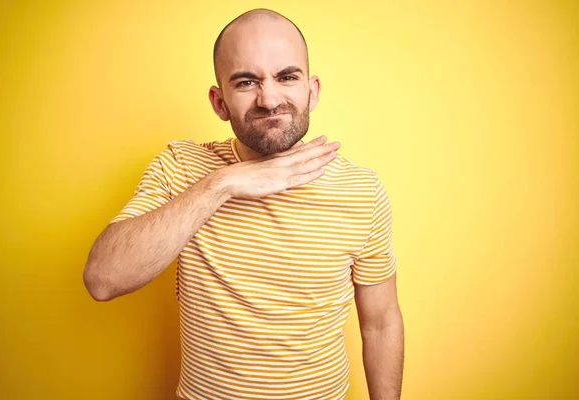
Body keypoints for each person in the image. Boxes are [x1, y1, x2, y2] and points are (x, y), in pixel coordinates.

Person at [83, 8, 404, 400]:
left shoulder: (361, 189)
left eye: (287, 77)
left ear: (312, 90)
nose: (269, 99)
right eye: (246, 82)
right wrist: (224, 183)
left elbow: (381, 322)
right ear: (219, 103)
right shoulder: (182, 168)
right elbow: (103, 280)